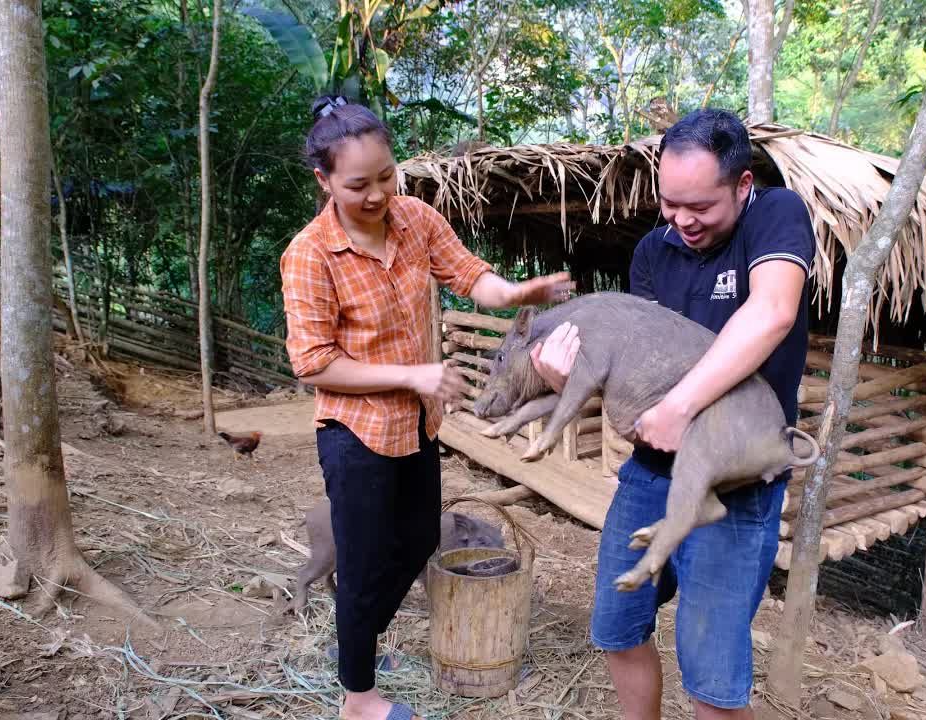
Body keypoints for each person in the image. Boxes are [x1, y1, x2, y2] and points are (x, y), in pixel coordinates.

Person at [280, 95, 574, 720]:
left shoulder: (415, 219)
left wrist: (518, 291)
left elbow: (471, 277)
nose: (378, 194)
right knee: (360, 564)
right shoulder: (309, 255)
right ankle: (358, 698)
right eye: (358, 184)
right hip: (354, 433)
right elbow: (313, 363)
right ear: (324, 181)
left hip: (417, 427)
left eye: (386, 176)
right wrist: (412, 374)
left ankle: (354, 648)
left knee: (415, 542)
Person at [530, 109, 816, 720]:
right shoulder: (653, 253)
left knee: (711, 678)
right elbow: (634, 368)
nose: (682, 220)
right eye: (669, 203)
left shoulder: (776, 215)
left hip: (734, 484)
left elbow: (771, 314)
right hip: (650, 474)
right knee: (618, 628)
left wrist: (682, 405)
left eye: (701, 207)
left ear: (741, 186)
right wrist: (567, 382)